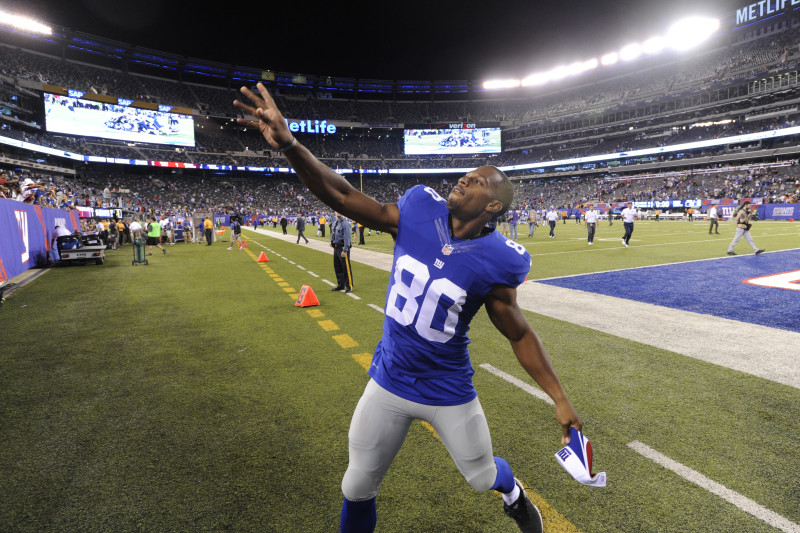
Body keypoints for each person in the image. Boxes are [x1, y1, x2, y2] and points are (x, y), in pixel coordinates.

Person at [235, 83, 582, 533]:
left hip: (447, 389)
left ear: (493, 205)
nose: (465, 178)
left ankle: (512, 493)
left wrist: (559, 397)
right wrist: (292, 146)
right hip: (390, 378)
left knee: (480, 478)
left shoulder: (501, 259)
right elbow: (341, 196)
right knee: (356, 485)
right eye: (468, 174)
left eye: (478, 180)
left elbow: (517, 333)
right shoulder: (418, 208)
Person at [329, 212, 353, 293]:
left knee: (346, 267)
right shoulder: (335, 222)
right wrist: (331, 241)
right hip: (336, 247)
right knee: (337, 267)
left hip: (342, 247)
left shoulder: (345, 223)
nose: (337, 212)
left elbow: (347, 237)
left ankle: (349, 286)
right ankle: (341, 285)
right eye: (336, 211)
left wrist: (345, 249)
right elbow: (333, 233)